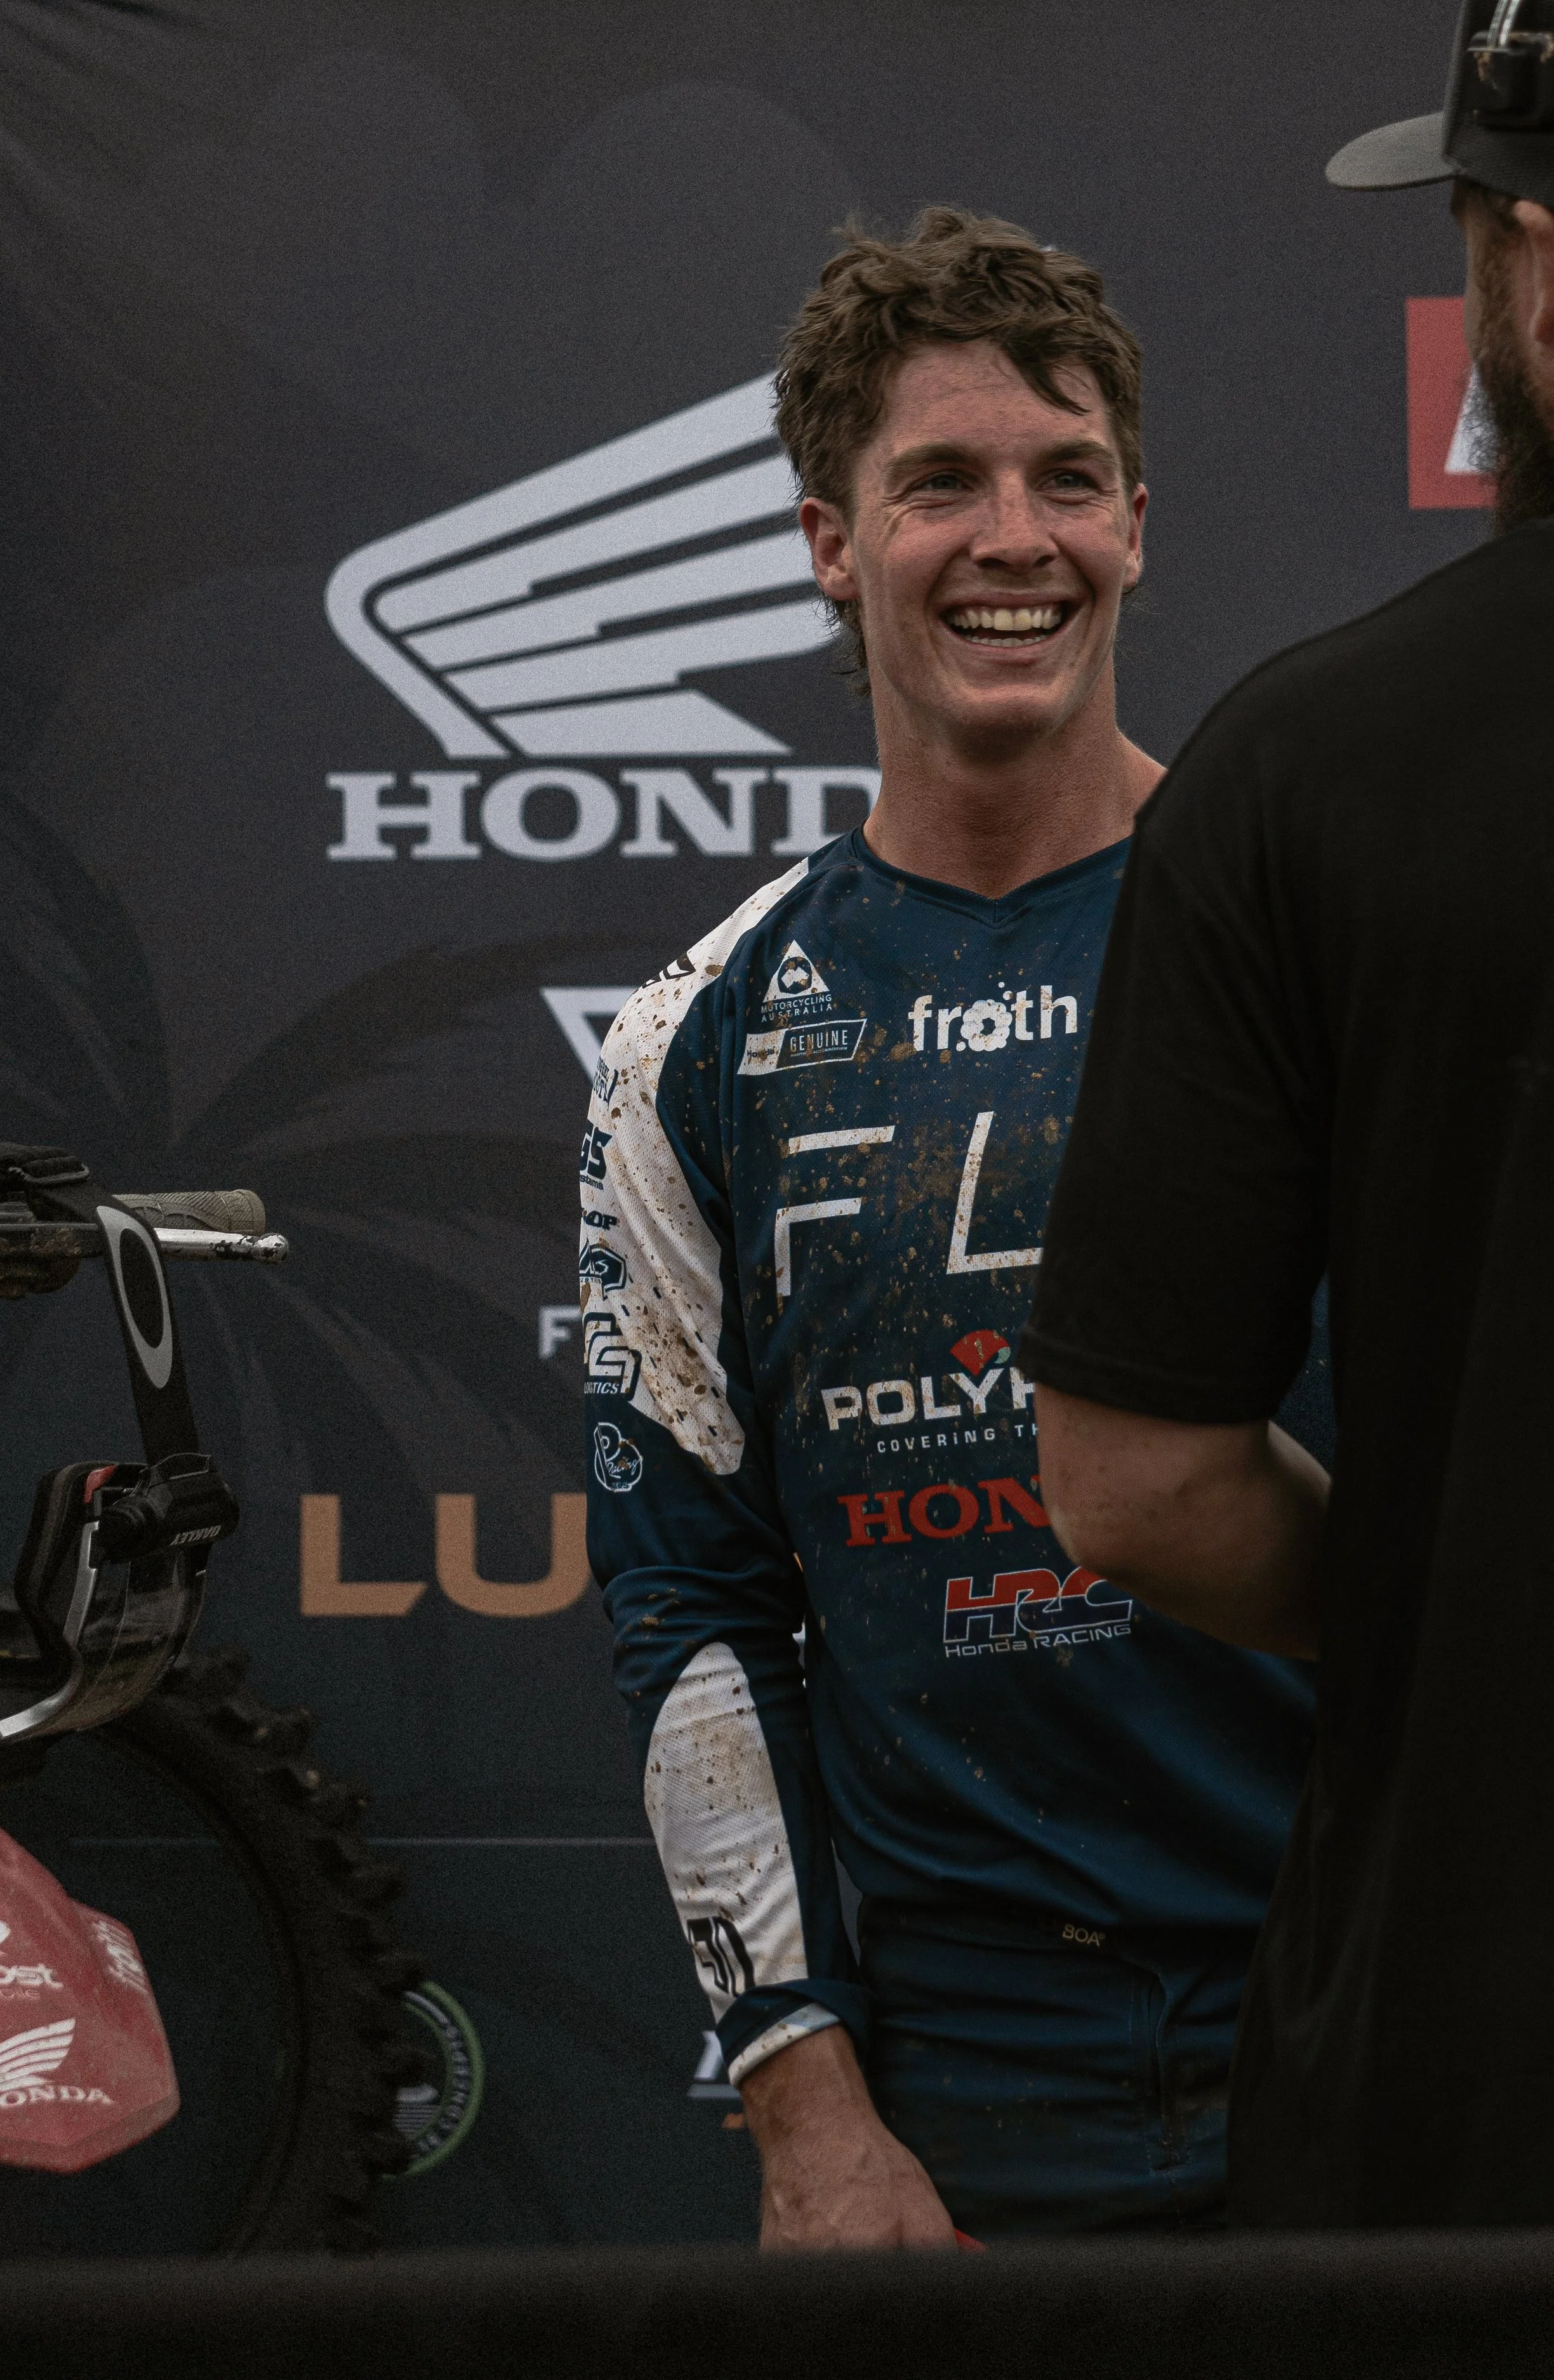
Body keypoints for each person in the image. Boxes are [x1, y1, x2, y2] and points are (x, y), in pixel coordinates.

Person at [580, 208, 1323, 2247]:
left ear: (1140, 524)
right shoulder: (692, 1037)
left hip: (1364, 1996)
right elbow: (689, 1609)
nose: (1016, 538)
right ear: (830, 541)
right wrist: (807, 2108)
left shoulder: (1320, 933)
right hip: (963, 2081)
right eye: (940, 485)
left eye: (1066, 480)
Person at [1025, 0, 1554, 2228]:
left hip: (1481, 2064)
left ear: (1525, 266)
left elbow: (1132, 1479)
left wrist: (1451, 1611)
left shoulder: (1301, 772)